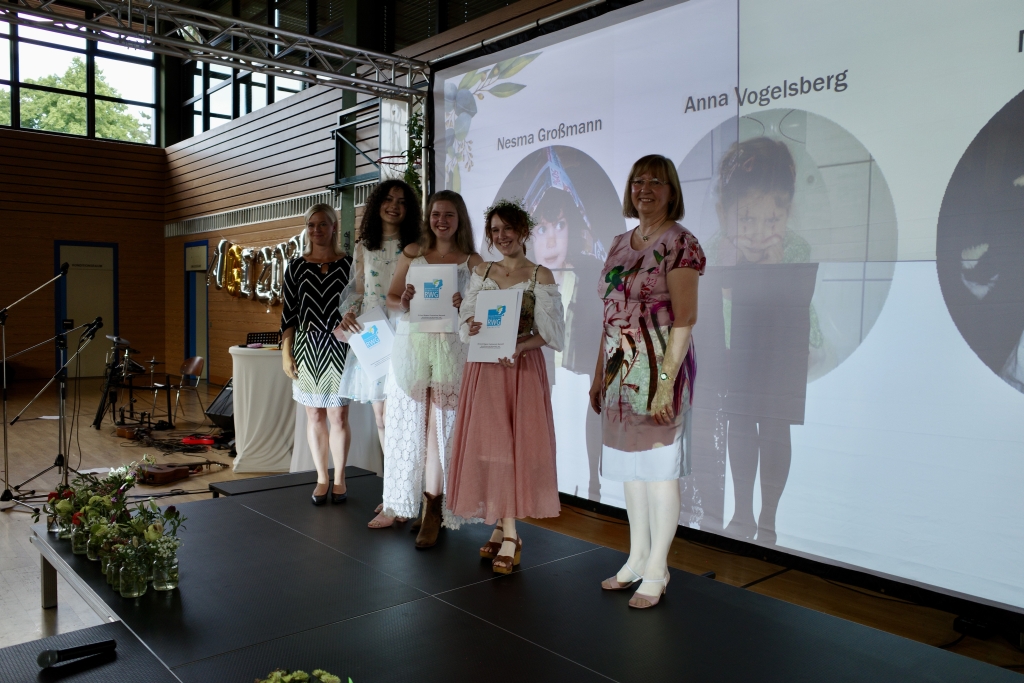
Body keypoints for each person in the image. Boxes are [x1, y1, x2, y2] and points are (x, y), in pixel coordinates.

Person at [592, 155, 705, 609]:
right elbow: (609, 314)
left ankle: (658, 567)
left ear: (671, 190)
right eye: (638, 181)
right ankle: (637, 557)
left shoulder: (682, 243)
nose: (645, 189)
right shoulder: (620, 243)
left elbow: (686, 317)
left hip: (660, 368)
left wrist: (665, 382)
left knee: (659, 472)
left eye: (656, 181)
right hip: (619, 371)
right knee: (631, 471)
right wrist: (600, 374)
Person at [447, 199, 564, 573]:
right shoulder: (482, 271)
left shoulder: (540, 275)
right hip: (485, 370)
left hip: (520, 370)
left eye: (508, 229)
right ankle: (502, 525)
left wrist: (522, 346)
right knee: (491, 449)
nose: (501, 237)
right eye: (495, 231)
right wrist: (471, 326)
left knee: (513, 448)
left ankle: (510, 534)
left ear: (523, 231)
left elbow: (552, 333)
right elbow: (465, 321)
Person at [712, 137, 818, 545]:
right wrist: (730, 272)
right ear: (724, 214)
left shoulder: (797, 248)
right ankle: (741, 512)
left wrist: (775, 272)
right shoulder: (717, 249)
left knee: (775, 426)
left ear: (787, 213)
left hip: (780, 353)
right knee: (739, 422)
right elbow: (714, 307)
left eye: (772, 219)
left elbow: (806, 314)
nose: (758, 232)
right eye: (746, 219)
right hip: (736, 352)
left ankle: (768, 518)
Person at [382, 190, 484, 548]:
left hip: (451, 349)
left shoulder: (472, 260)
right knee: (415, 427)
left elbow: (485, 308)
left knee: (439, 429)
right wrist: (404, 301)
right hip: (413, 347)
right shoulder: (413, 252)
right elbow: (391, 298)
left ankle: (434, 508)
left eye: (449, 215)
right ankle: (420, 504)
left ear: (460, 220)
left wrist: (465, 303)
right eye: (436, 214)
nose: (441, 221)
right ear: (429, 218)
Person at [335, 180, 423, 528]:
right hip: (373, 334)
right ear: (377, 205)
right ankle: (394, 493)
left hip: (407, 331)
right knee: (383, 418)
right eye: (388, 199)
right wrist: (349, 312)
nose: (394, 206)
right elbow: (357, 291)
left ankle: (412, 494)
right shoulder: (364, 246)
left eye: (402, 201)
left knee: (408, 418)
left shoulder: (416, 247)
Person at [281, 203, 353, 506]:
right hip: (307, 346)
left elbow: (359, 303)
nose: (316, 230)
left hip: (340, 345)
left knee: (338, 415)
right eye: (311, 225)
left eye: (323, 224)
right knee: (314, 414)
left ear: (334, 226)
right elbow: (288, 314)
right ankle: (322, 477)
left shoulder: (349, 264)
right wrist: (286, 353)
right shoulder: (296, 267)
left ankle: (340, 478)